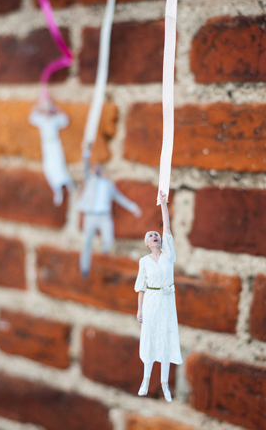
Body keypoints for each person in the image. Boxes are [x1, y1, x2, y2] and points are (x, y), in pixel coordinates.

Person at [134, 190, 182, 403]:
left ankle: (164, 384)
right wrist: (139, 309)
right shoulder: (144, 261)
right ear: (146, 243)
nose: (155, 236)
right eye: (151, 235)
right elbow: (141, 287)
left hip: (167, 301)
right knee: (150, 337)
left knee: (165, 338)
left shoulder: (168, 255)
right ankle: (145, 379)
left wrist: (163, 204)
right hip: (151, 301)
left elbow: (167, 228)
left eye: (157, 235)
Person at [77, 145, 142, 278]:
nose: (96, 169)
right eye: (94, 167)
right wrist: (86, 154)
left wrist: (133, 207)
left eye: (98, 167)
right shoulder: (90, 181)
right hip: (90, 216)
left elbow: (119, 197)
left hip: (104, 216)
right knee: (87, 242)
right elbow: (84, 168)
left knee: (109, 240)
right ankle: (84, 267)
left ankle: (106, 261)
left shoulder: (108, 184)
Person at [29, 101, 74, 206]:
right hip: (46, 145)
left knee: (59, 163)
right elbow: (32, 118)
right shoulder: (41, 120)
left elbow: (65, 120)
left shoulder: (55, 120)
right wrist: (36, 107)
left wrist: (58, 109)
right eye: (45, 110)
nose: (47, 112)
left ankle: (67, 182)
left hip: (55, 144)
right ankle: (57, 188)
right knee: (48, 166)